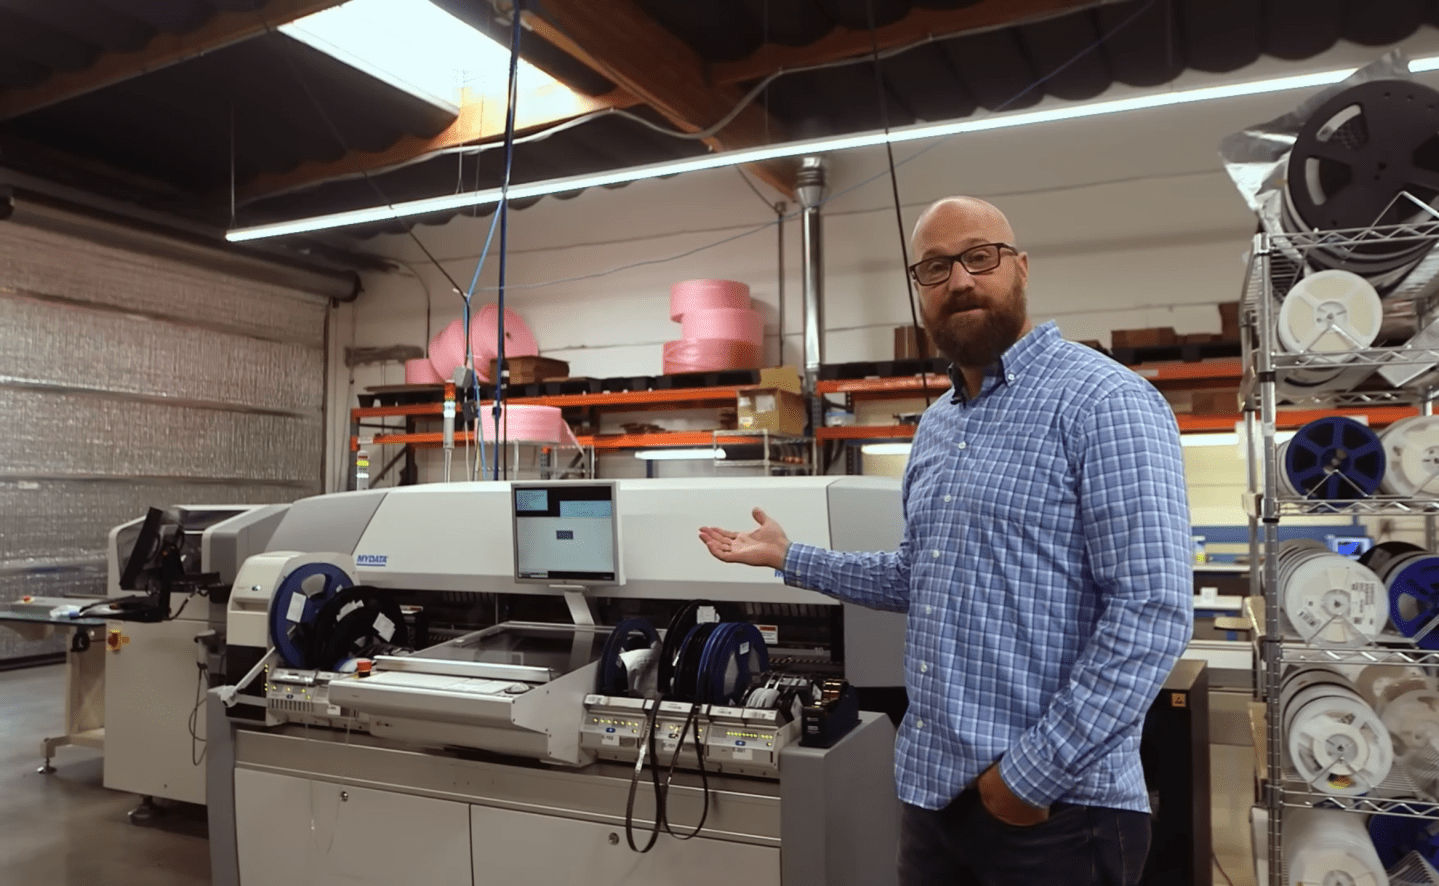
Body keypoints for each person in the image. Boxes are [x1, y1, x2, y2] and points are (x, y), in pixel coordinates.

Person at [698, 197, 1192, 886]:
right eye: (935, 267)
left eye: (979, 257)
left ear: (1020, 267)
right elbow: (918, 574)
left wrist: (1026, 779)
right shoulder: (937, 425)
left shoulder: (1104, 402)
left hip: (1055, 811)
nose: (959, 279)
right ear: (919, 288)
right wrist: (790, 557)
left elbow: (1152, 611)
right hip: (933, 797)